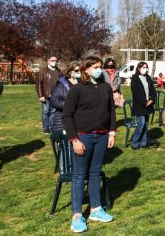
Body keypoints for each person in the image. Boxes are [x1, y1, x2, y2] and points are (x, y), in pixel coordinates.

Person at [62, 56, 116, 233]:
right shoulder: (77, 89)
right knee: (79, 176)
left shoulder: (106, 87)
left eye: (100, 66)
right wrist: (74, 139)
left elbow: (111, 111)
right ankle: (77, 216)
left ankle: (96, 209)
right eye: (95, 67)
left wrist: (112, 132)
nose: (99, 70)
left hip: (101, 136)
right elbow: (67, 115)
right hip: (83, 137)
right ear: (86, 69)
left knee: (95, 173)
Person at [130, 61, 157, 150]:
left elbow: (153, 91)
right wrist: (144, 102)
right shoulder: (135, 78)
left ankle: (144, 143)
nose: (145, 69)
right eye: (143, 67)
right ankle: (135, 143)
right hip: (139, 105)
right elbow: (135, 93)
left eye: (146, 67)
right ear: (138, 68)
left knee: (145, 124)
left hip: (148, 105)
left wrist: (151, 100)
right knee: (141, 123)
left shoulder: (148, 77)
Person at [49, 61, 81, 134]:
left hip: (80, 120)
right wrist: (69, 105)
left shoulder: (83, 83)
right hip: (64, 119)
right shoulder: (62, 83)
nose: (79, 72)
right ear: (70, 71)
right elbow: (54, 101)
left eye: (80, 70)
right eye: (76, 70)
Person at [36, 56, 61, 134]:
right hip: (46, 95)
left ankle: (50, 128)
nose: (54, 62)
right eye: (52, 60)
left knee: (53, 112)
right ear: (48, 61)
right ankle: (45, 128)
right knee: (45, 112)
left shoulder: (59, 71)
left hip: (56, 95)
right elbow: (38, 84)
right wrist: (41, 95)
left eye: (56, 61)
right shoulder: (43, 71)